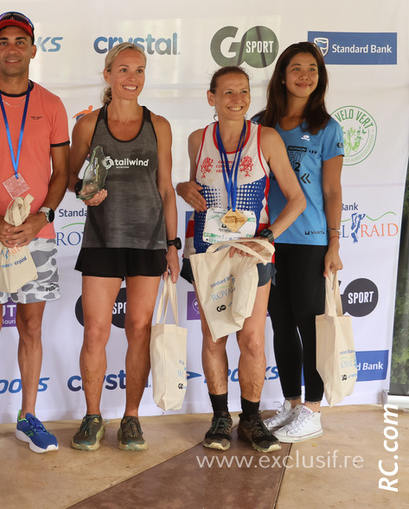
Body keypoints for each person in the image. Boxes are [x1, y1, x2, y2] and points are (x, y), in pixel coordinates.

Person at [0, 11, 70, 455]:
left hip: (37, 233)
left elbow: (62, 172)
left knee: (31, 325)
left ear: (33, 50)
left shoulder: (52, 105)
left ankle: (28, 416)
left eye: (20, 41)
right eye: (3, 41)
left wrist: (42, 217)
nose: (12, 49)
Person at [176, 66, 305, 453]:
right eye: (228, 92)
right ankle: (220, 418)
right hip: (209, 252)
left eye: (244, 92)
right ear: (211, 97)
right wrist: (183, 188)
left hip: (251, 254)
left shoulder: (266, 138)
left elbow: (297, 199)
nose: (237, 99)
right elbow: (193, 187)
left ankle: (250, 418)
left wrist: (268, 236)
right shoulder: (198, 140)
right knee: (214, 335)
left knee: (251, 340)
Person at [67, 42, 179, 452]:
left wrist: (172, 245)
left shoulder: (159, 125)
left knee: (139, 330)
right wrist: (83, 190)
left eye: (139, 70)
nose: (132, 78)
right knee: (95, 331)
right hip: (103, 240)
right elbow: (69, 176)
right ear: (108, 75)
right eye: (124, 70)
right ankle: (92, 416)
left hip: (149, 242)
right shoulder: (88, 124)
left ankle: (131, 417)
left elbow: (166, 189)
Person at [254, 42, 343, 442]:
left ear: (319, 78)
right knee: (281, 323)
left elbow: (332, 190)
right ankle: (292, 405)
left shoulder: (327, 128)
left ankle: (313, 409)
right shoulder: (261, 123)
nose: (304, 76)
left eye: (312, 69)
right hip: (268, 240)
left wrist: (334, 243)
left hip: (309, 239)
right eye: (296, 68)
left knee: (311, 325)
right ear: (282, 75)